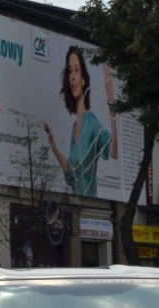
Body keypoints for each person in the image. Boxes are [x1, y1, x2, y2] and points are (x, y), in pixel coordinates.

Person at [44, 47, 118, 198]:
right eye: (70, 71)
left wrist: (112, 104)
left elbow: (113, 152)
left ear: (83, 79)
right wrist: (55, 149)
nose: (72, 77)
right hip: (75, 211)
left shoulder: (91, 122)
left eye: (76, 70)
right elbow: (71, 177)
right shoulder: (74, 128)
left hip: (91, 210)